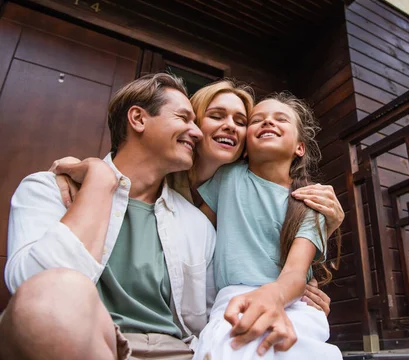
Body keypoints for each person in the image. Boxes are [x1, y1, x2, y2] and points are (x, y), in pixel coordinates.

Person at [0, 75, 342, 359]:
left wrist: (292, 290)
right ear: (138, 119)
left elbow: (224, 300)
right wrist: (100, 180)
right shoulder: (54, 190)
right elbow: (37, 293)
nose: (195, 132)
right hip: (91, 341)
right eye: (188, 119)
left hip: (181, 350)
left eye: (241, 121)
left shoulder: (197, 222)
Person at [194, 92, 343, 359]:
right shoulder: (226, 178)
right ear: (246, 143)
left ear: (300, 147)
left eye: (280, 119)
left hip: (294, 302)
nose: (268, 123)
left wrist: (275, 295)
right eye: (258, 120)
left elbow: (296, 274)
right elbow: (195, 232)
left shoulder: (310, 201)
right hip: (233, 299)